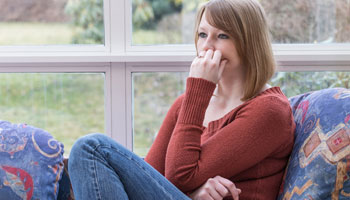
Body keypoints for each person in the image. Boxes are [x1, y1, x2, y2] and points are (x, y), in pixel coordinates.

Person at [68, 0, 295, 199]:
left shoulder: (270, 110)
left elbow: (180, 176)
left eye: (222, 36)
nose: (207, 46)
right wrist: (194, 194)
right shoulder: (187, 104)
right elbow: (154, 177)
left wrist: (199, 89)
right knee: (88, 152)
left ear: (249, 43)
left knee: (92, 148)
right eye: (203, 34)